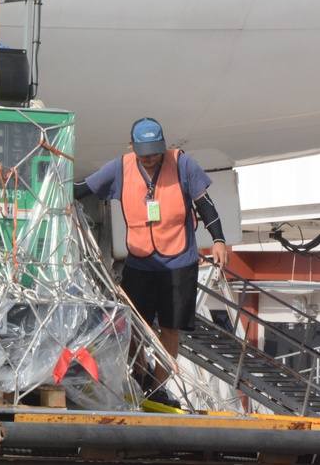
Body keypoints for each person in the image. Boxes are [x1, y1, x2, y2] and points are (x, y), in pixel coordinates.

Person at [73, 117, 229, 408]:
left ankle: (155, 388)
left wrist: (218, 239)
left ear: (162, 147)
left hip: (179, 262)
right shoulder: (120, 167)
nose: (149, 159)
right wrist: (49, 189)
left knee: (170, 328)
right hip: (141, 262)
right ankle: (140, 372)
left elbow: (204, 204)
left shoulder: (182, 164)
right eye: (143, 154)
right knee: (130, 323)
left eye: (155, 154)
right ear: (132, 147)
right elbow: (83, 188)